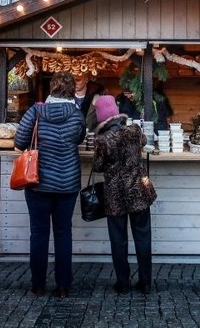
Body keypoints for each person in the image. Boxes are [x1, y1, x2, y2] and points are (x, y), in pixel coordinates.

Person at [14, 71, 86, 298]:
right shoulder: (77, 115)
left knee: (39, 234)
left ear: (51, 89)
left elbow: (19, 142)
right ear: (72, 90)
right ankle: (63, 286)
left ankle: (37, 285)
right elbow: (79, 139)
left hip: (38, 183)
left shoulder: (36, 111)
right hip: (67, 185)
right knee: (64, 233)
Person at [93, 94, 157, 294]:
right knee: (143, 236)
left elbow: (98, 167)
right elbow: (144, 142)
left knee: (118, 239)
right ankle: (146, 282)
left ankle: (123, 283)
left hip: (115, 194)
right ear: (116, 112)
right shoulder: (134, 130)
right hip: (138, 189)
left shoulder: (103, 139)